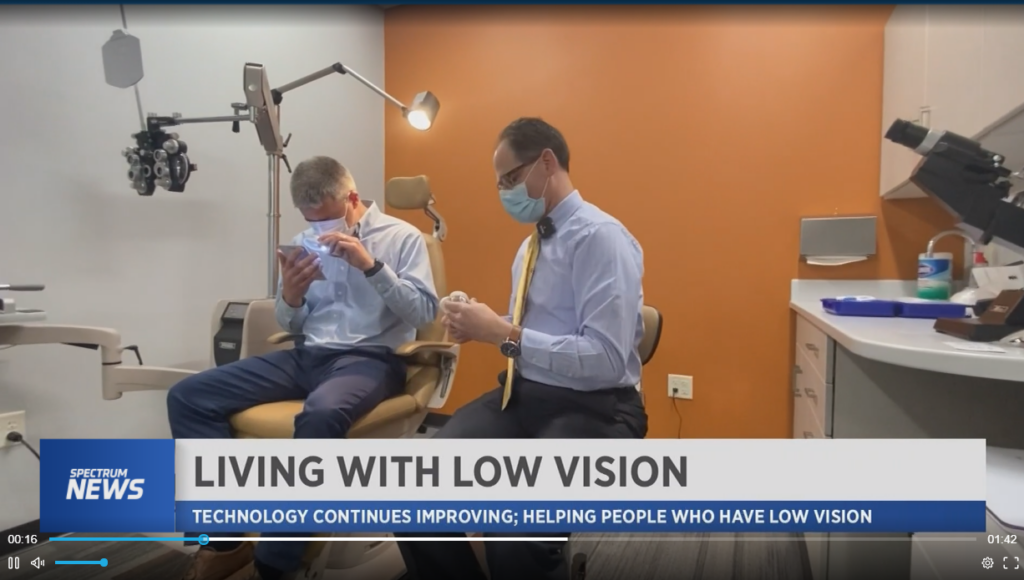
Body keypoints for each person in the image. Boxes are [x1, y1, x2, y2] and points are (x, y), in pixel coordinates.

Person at [396, 118, 648, 580]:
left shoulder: (601, 239)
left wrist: (504, 335)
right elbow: (534, 335)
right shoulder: (528, 248)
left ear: (546, 164)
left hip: (597, 409)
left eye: (510, 179)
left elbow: (606, 360)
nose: (504, 193)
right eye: (499, 184)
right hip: (523, 395)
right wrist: (481, 323)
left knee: (512, 522)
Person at [166, 156, 439, 580]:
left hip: (370, 358)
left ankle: (277, 561)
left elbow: (424, 309)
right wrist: (290, 299)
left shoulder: (401, 238)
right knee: (189, 395)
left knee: (322, 414)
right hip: (308, 355)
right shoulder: (303, 241)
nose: (320, 232)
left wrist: (371, 267)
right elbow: (291, 322)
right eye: (312, 223)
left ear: (351, 198)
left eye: (328, 220)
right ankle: (225, 541)